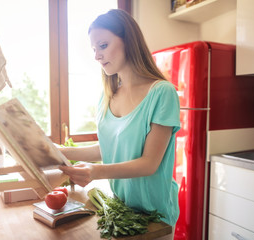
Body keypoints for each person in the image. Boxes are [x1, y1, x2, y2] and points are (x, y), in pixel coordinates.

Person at [58, 9, 180, 237]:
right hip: (121, 208)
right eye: (94, 49)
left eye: (103, 46)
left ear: (129, 42)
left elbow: (149, 164)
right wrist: (57, 151)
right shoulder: (107, 96)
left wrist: (95, 172)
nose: (96, 55)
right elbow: (108, 149)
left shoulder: (162, 93)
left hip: (155, 217)